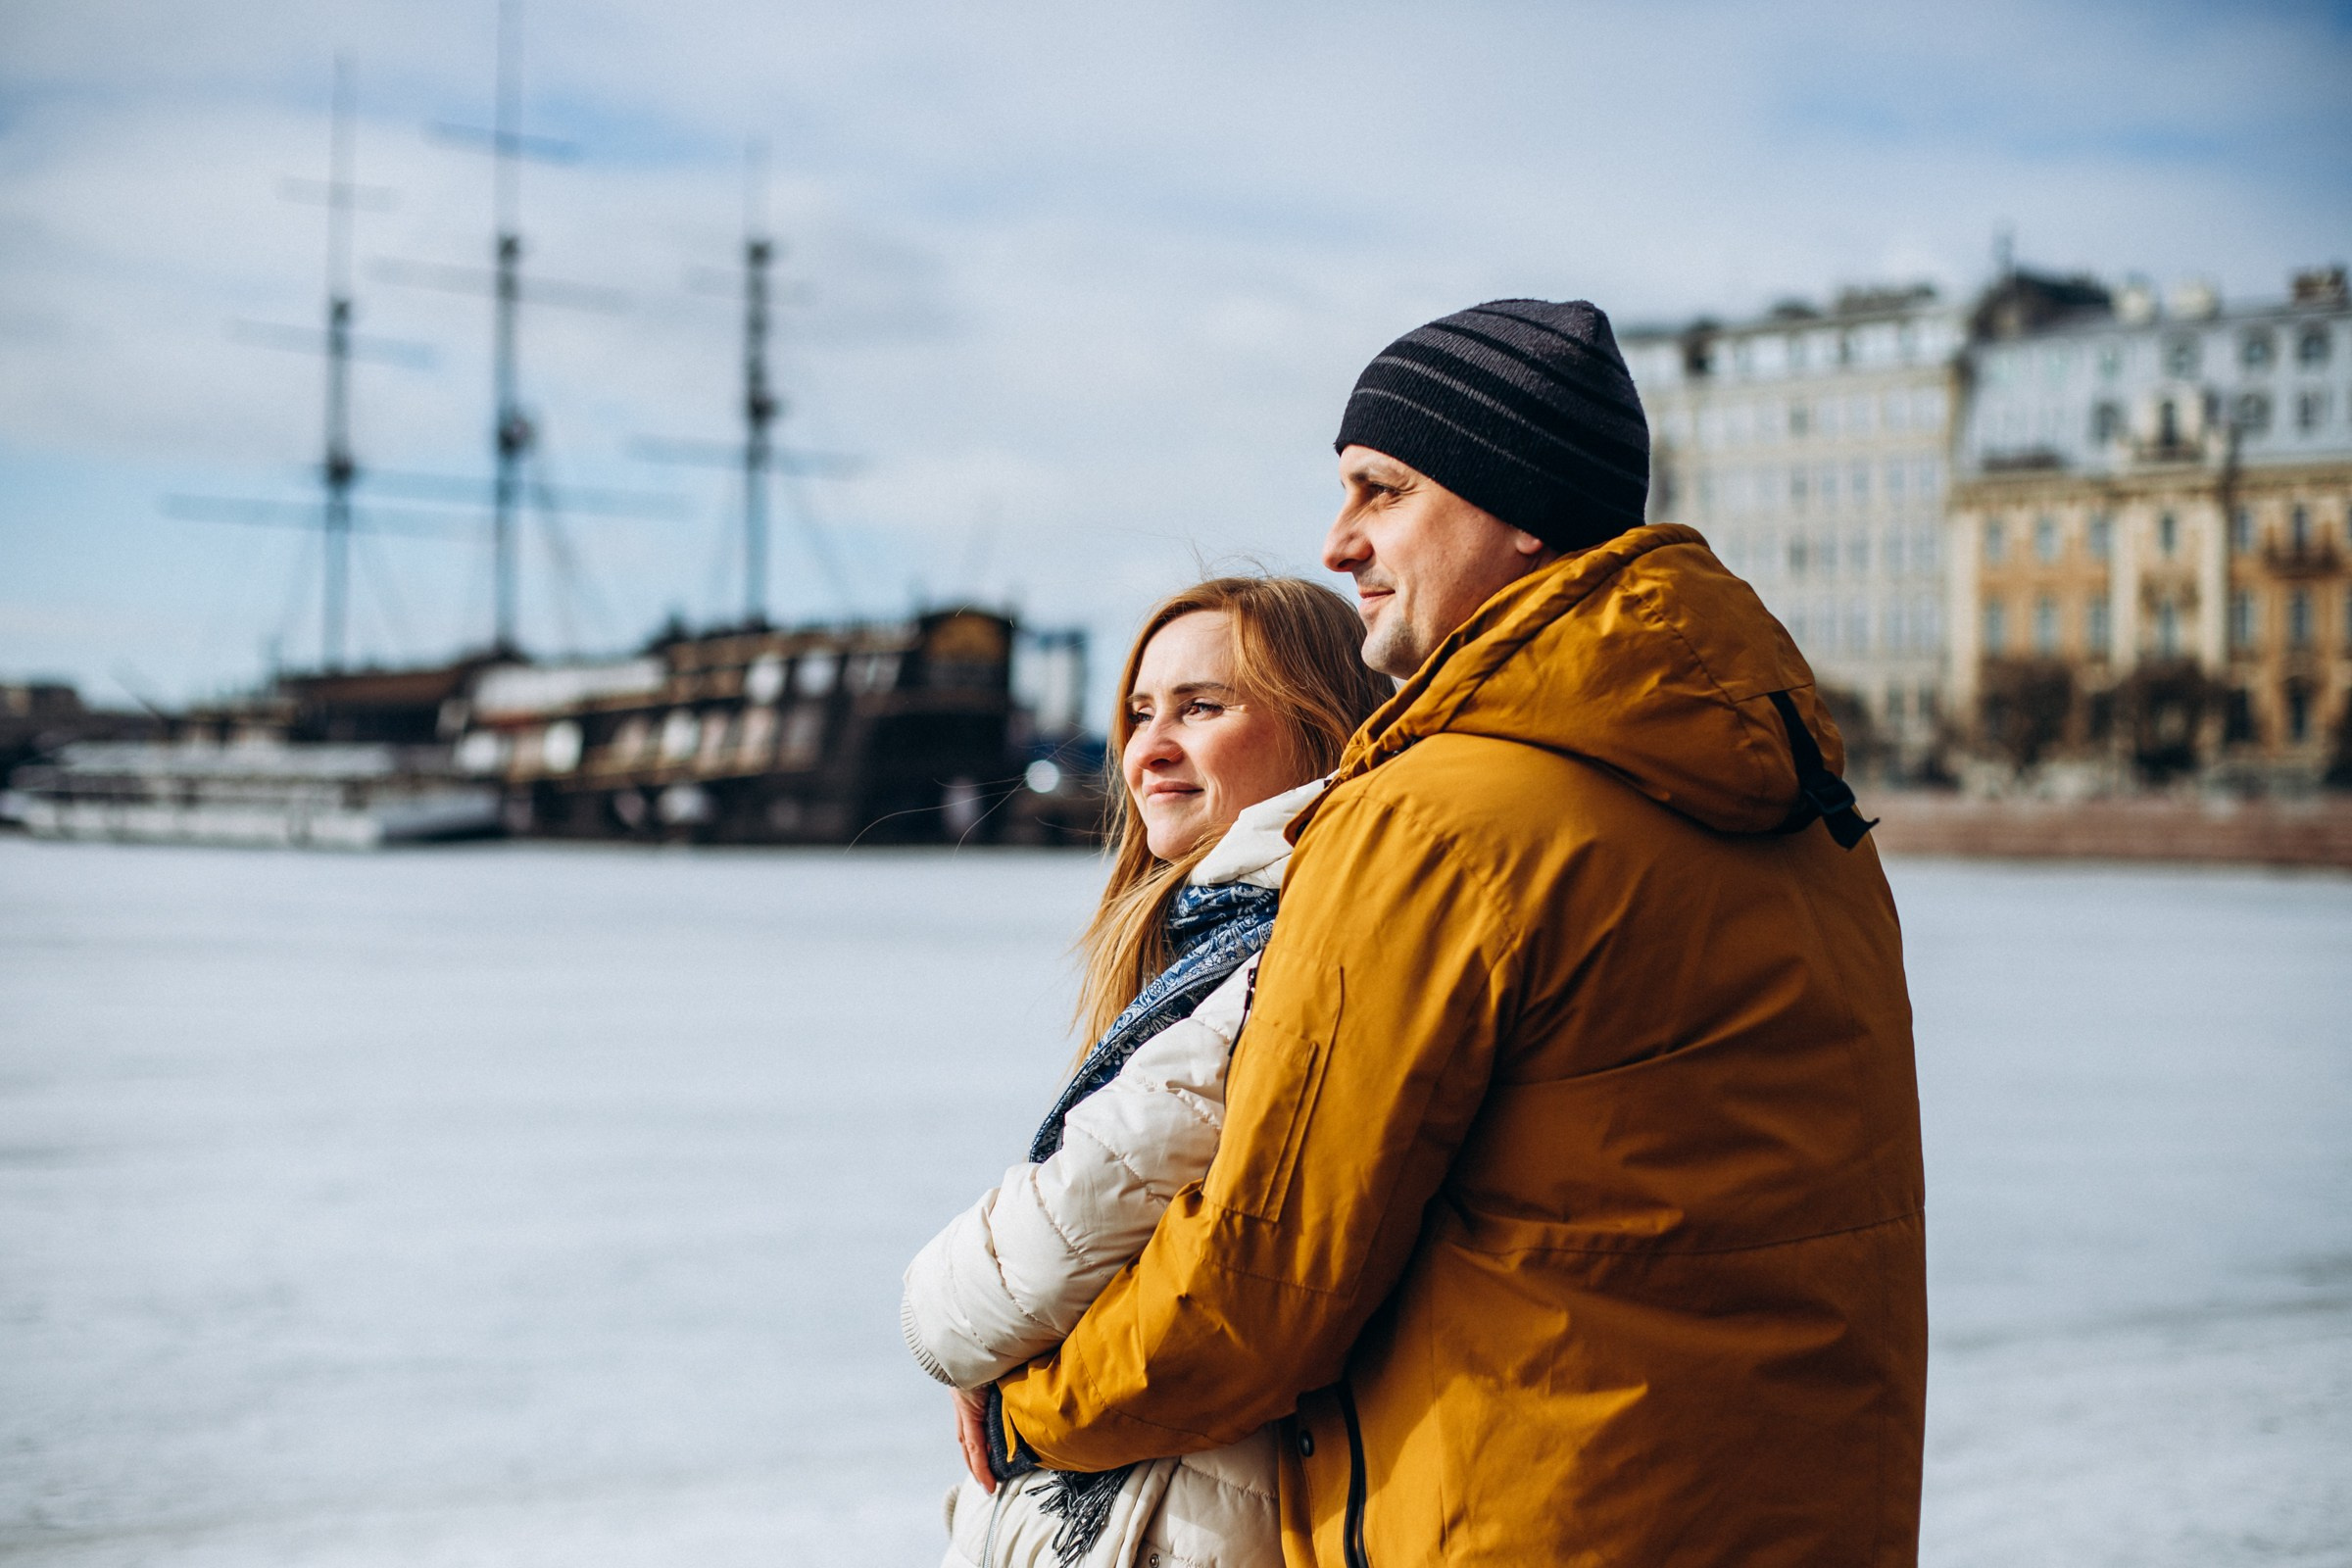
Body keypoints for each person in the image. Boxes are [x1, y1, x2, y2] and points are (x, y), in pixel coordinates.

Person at [988, 300, 1931, 1566]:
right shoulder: (1807, 820)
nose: (1339, 542)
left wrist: (1026, 1406)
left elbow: (1267, 1282)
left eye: (1382, 491)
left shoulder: (1439, 822)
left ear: (1517, 503)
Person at [902, 576, 1391, 1568]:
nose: (1148, 748)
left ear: (1322, 724)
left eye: (1202, 708)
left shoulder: (1266, 969)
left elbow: (1022, 1269)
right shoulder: (1208, 957)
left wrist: (958, 1331)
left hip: (1180, 1520)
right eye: (1138, 713)